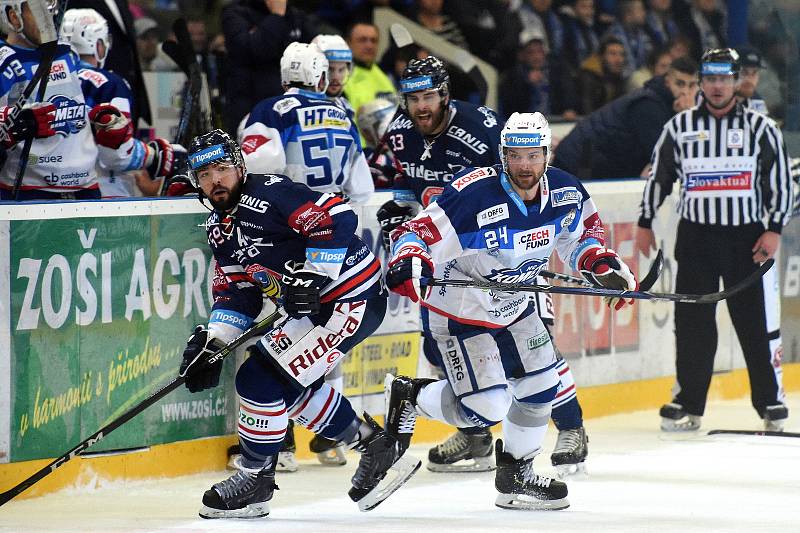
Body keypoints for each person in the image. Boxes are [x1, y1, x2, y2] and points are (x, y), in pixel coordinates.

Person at [384, 111, 639, 509]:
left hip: (516, 304)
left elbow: (581, 237)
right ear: (502, 155)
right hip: (460, 312)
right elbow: (414, 232)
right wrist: (411, 259)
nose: (524, 165)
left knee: (541, 383)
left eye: (532, 156)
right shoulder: (473, 194)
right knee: (485, 408)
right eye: (515, 156)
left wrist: (599, 264)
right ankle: (410, 395)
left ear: (546, 154)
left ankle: (516, 472)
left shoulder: (568, 191)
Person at [179, 129, 417, 519]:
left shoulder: (270, 192)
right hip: (312, 308)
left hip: (349, 298)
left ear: (239, 167)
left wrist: (314, 273)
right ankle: (375, 445)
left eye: (222, 169)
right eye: (204, 174)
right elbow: (240, 293)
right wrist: (213, 341)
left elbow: (338, 215)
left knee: (257, 380)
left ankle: (256, 480)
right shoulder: (219, 229)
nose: (215, 180)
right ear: (196, 182)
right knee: (279, 390)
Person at [379, 57, 592, 478]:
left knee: (536, 349)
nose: (421, 107)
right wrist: (400, 216)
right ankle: (475, 433)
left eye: (429, 96)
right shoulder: (400, 133)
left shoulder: (483, 128)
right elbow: (407, 186)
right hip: (446, 257)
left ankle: (571, 427)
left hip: (503, 254)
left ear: (445, 94)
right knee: (440, 350)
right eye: (413, 98)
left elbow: (523, 185)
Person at [635, 48, 793, 433]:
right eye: (711, 79)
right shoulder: (680, 127)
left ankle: (770, 403)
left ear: (737, 81)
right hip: (696, 238)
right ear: (702, 82)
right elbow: (660, 177)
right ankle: (689, 401)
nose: (718, 86)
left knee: (753, 323)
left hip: (746, 238)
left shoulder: (762, 128)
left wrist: (773, 229)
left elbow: (781, 183)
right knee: (692, 322)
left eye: (725, 78)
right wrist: (644, 221)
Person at [0, 0, 175, 200]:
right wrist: (12, 121)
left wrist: (103, 124)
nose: (49, 17)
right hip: (29, 194)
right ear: (14, 17)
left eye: (51, 7)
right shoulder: (5, 62)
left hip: (86, 191)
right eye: (38, 10)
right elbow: (10, 124)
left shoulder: (66, 52)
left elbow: (75, 111)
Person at [238, 42, 373, 205]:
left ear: (284, 77)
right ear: (321, 79)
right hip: (337, 215)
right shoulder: (343, 116)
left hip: (292, 216)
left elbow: (257, 168)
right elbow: (362, 189)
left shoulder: (272, 110)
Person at [553, 56, 698, 179]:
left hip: (593, 159)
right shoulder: (648, 106)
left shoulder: (663, 103)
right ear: (667, 81)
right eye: (679, 84)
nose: (685, 91)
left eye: (691, 85)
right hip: (579, 160)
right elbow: (668, 158)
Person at [60, 8, 140, 198]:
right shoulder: (110, 84)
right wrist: (154, 155)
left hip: (53, 189)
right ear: (97, 44)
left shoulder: (49, 78)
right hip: (104, 189)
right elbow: (118, 154)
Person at [222, 0, 317, 133]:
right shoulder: (235, 14)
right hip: (250, 113)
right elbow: (256, 51)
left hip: (292, 111)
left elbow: (317, 53)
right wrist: (277, 16)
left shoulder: (296, 16)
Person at [343, 21, 396, 128]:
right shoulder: (340, 77)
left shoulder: (384, 76)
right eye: (362, 40)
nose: (369, 45)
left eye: (374, 40)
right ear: (348, 43)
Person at [311, 33, 356, 121]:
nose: (336, 77)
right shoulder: (296, 108)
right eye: (329, 70)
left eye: (341, 69)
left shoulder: (346, 108)